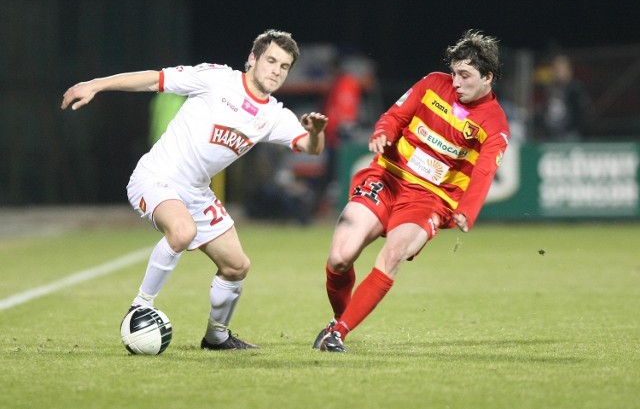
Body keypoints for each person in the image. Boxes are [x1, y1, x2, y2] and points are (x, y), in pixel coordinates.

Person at [61, 29, 328, 350]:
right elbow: (153, 79)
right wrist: (96, 85)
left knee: (236, 266)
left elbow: (310, 147)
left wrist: (316, 133)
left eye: (284, 67)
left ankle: (216, 337)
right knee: (182, 231)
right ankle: (140, 307)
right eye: (271, 60)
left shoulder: (273, 115)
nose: (276, 70)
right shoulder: (216, 79)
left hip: (196, 193)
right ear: (253, 59)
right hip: (156, 176)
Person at [312, 30, 510, 352]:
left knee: (394, 253)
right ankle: (339, 320)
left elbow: (485, 170)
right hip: (387, 177)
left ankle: (339, 332)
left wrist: (467, 210)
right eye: (454, 73)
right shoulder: (433, 83)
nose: (456, 82)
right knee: (339, 259)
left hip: (430, 200)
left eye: (465, 75)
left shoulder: (495, 124)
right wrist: (383, 132)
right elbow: (395, 116)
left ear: (488, 77)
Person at [534, 53, 591, 141]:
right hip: (550, 133)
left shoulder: (575, 89)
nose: (557, 72)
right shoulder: (549, 89)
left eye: (560, 69)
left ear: (568, 71)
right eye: (555, 69)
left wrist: (575, 127)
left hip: (569, 133)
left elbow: (582, 111)